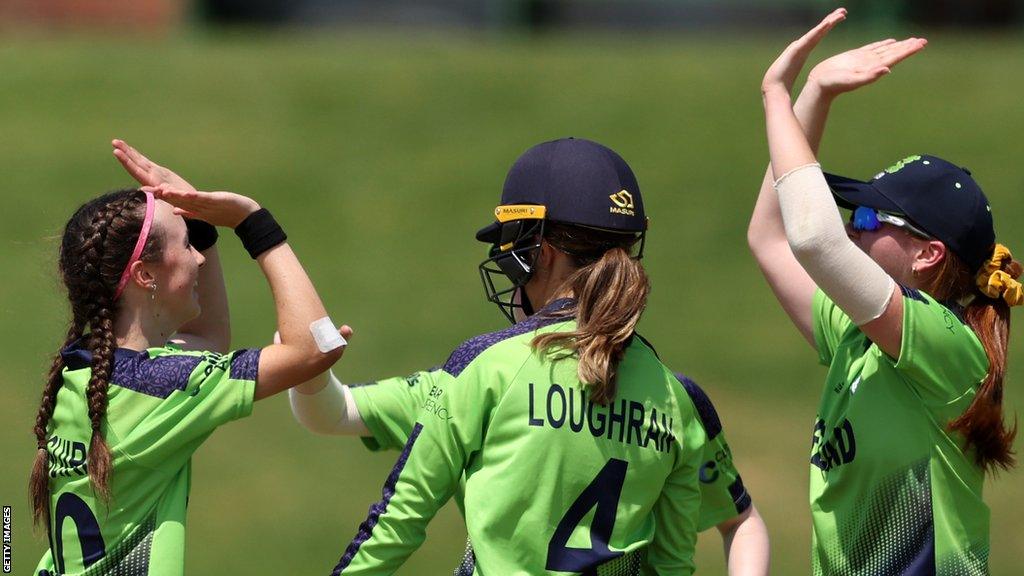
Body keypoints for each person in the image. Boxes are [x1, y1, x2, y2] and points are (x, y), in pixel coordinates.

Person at [295, 137, 766, 575]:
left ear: (541, 250)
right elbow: (673, 565)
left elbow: (397, 522)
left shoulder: (485, 366)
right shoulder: (678, 400)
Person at [749, 9, 1018, 574]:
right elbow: (771, 236)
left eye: (872, 217)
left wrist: (777, 94)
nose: (855, 225)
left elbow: (815, 239)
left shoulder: (946, 342)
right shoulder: (857, 332)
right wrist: (816, 94)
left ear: (929, 254)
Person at [30, 141, 349, 576]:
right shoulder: (161, 387)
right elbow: (317, 346)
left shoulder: (82, 367)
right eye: (187, 245)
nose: (199, 258)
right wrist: (252, 222)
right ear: (145, 274)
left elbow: (206, 340)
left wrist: (198, 224)